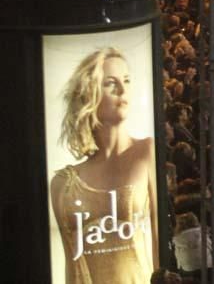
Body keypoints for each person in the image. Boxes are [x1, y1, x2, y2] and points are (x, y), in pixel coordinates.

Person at [50, 48, 157, 284]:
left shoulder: (147, 152)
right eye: (111, 83)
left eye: (126, 80)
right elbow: (72, 266)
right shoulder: (63, 184)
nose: (123, 90)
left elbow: (161, 246)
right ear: (90, 94)